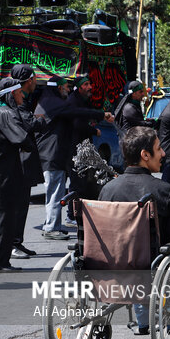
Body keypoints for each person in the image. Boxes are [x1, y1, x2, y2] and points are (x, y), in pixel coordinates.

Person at [99, 126, 170, 334]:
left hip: (109, 269)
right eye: (159, 148)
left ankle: (144, 321)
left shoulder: (107, 191)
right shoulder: (163, 190)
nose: (163, 154)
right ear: (145, 155)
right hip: (149, 272)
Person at [35, 75, 113, 240]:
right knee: (55, 192)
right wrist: (101, 115)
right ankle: (51, 227)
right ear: (58, 87)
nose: (69, 90)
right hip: (52, 154)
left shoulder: (48, 101)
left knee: (55, 191)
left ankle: (50, 224)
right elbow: (76, 112)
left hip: (51, 153)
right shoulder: (55, 104)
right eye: (66, 87)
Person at [9, 65, 44, 259]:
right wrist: (40, 120)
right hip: (18, 162)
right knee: (15, 205)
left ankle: (17, 242)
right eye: (34, 78)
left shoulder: (23, 99)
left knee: (22, 205)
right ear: (28, 80)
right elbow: (29, 123)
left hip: (24, 161)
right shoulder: (17, 101)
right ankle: (12, 244)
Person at [0, 78, 34, 270]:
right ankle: (2, 261)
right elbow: (23, 139)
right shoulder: (5, 113)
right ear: (13, 93)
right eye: (20, 92)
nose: (23, 96)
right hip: (5, 175)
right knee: (6, 216)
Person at [65, 76, 101, 227]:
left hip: (84, 148)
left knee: (85, 182)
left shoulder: (82, 100)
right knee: (77, 182)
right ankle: (71, 215)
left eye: (90, 83)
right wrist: (94, 131)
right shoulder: (73, 101)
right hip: (75, 149)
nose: (90, 87)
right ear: (79, 87)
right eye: (86, 84)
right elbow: (78, 124)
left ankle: (81, 213)